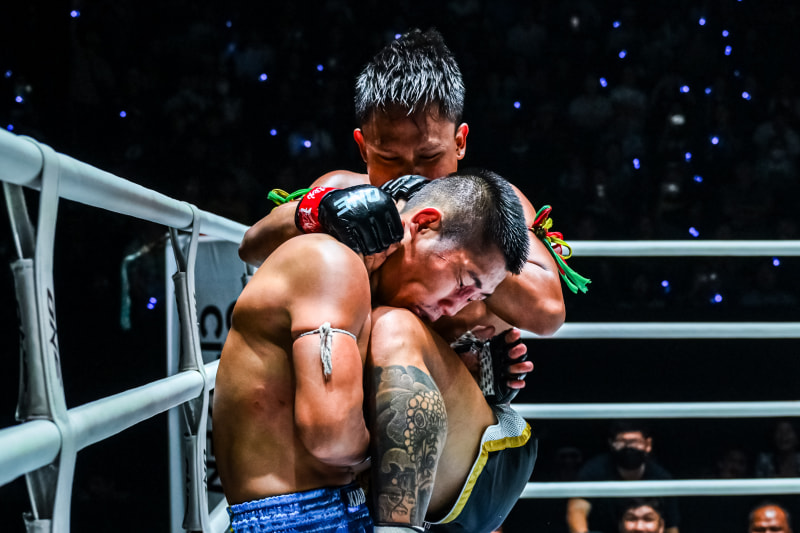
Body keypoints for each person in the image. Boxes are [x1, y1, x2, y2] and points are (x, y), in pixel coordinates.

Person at [212, 170, 531, 532]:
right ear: (423, 224)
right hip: (309, 515)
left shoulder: (361, 282)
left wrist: (464, 372)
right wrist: (403, 444)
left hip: (330, 507)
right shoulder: (333, 260)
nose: (453, 308)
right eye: (461, 283)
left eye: (473, 297)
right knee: (394, 327)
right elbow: (330, 435)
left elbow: (548, 312)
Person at [238, 28, 571, 343]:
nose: (412, 173)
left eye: (429, 156)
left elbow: (548, 312)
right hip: (365, 373)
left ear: (459, 142)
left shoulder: (493, 207)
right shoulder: (342, 188)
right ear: (363, 148)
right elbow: (251, 248)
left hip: (457, 382)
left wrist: (473, 251)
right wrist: (321, 209)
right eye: (390, 158)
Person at [566, 421, 679, 533]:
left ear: (648, 444)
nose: (628, 447)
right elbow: (577, 510)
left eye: (634, 442)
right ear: (611, 444)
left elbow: (671, 526)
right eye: (621, 442)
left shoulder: (660, 479)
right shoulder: (594, 471)